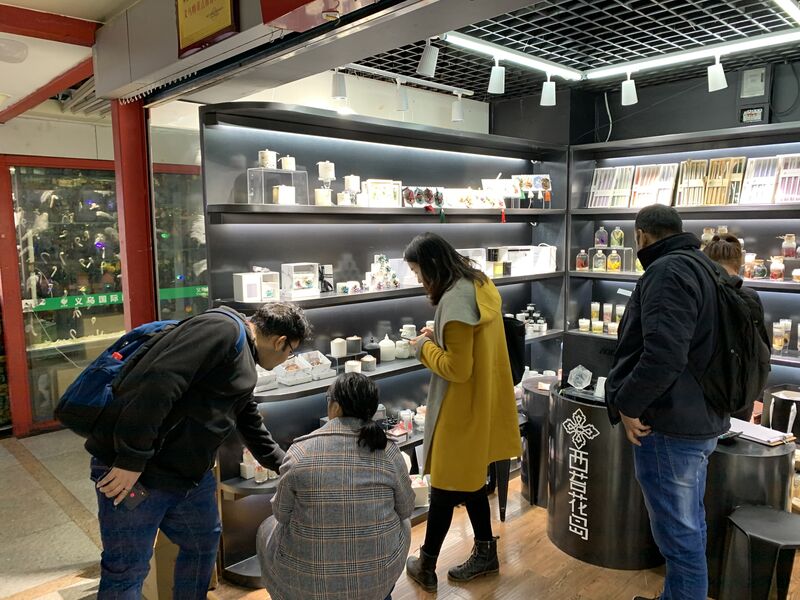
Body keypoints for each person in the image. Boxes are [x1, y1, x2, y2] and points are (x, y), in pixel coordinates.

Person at [86, 303, 310, 599]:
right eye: (291, 352)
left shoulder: (242, 355)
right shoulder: (223, 331)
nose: (286, 360)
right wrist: (131, 458)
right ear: (280, 342)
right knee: (126, 570)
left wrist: (287, 465)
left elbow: (248, 420)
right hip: (138, 473)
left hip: (188, 477)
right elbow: (160, 381)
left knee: (203, 544)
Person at [606, 205, 726, 600]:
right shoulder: (704, 266)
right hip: (699, 416)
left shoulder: (666, 271)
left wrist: (628, 405)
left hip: (670, 424)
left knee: (679, 536)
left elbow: (663, 355)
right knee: (689, 526)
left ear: (640, 235)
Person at [403, 232, 521, 592]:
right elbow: (469, 346)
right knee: (469, 482)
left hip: (459, 408)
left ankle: (427, 563)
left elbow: (457, 369)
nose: (419, 281)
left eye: (418, 273)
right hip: (481, 401)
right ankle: (485, 552)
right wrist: (438, 335)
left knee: (444, 484)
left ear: (432, 266)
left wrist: (423, 346)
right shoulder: (478, 285)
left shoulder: (454, 301)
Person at [257, 373, 415, 600]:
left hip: (308, 586)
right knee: (404, 522)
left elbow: (280, 514)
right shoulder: (389, 451)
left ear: (336, 406)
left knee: (266, 527)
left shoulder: (300, 451)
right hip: (376, 581)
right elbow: (406, 508)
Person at [703, 234, 770, 421]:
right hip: (742, 394)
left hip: (706, 398)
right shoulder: (750, 296)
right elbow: (763, 349)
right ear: (739, 264)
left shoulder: (704, 295)